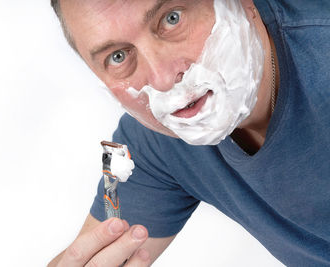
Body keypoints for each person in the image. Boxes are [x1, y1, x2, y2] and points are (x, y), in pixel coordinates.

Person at [48, 0, 330, 266]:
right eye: (118, 57)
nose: (162, 79)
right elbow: (87, 254)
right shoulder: (148, 139)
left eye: (172, 19)